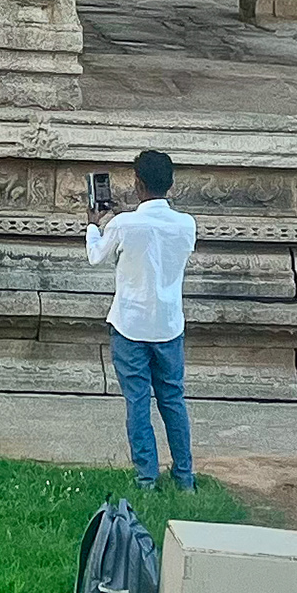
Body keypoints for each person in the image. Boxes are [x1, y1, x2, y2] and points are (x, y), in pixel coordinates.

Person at [85, 147, 196, 487]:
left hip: (130, 323)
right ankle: (184, 475)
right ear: (170, 185)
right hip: (168, 323)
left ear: (138, 184)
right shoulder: (186, 225)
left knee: (137, 401)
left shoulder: (123, 224)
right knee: (173, 400)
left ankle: (147, 476)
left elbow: (96, 256)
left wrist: (94, 224)